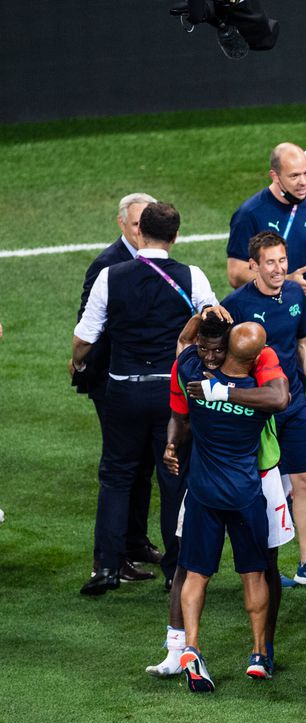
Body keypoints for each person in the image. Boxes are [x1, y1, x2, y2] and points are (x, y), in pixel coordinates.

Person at [72, 202, 218, 595]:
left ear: (140, 233)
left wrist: (78, 363)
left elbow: (85, 336)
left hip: (123, 390)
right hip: (171, 393)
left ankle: (105, 567)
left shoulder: (109, 276)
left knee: (117, 476)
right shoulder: (192, 276)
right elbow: (215, 322)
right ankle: (177, 569)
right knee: (174, 478)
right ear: (175, 237)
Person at [150, 311, 293, 678]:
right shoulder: (252, 388)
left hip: (202, 490)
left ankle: (191, 647)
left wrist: (197, 321)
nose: (209, 356)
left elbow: (182, 348)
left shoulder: (188, 371)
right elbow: (279, 399)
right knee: (255, 573)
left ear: (227, 344)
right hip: (246, 490)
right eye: (205, 350)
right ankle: (259, 654)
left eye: (215, 350)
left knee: (194, 573)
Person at [221, 231, 306, 588]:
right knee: (259, 489)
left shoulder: (295, 294)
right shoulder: (235, 305)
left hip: (293, 405)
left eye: (282, 261)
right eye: (270, 262)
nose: (278, 269)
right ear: (253, 265)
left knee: (304, 479)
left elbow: (304, 341)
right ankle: (262, 563)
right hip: (256, 412)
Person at [75, 192, 162, 577]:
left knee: (143, 465)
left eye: (148, 223)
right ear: (122, 224)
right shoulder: (107, 265)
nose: (142, 230)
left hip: (137, 382)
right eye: (136, 223)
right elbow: (89, 326)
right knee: (124, 467)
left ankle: (135, 542)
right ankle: (115, 558)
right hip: (114, 383)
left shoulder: (153, 261)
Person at [226, 144, 306, 291]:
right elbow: (236, 274)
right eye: (294, 176)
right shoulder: (249, 213)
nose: (303, 182)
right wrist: (285, 281)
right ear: (275, 176)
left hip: (296, 310)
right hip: (261, 311)